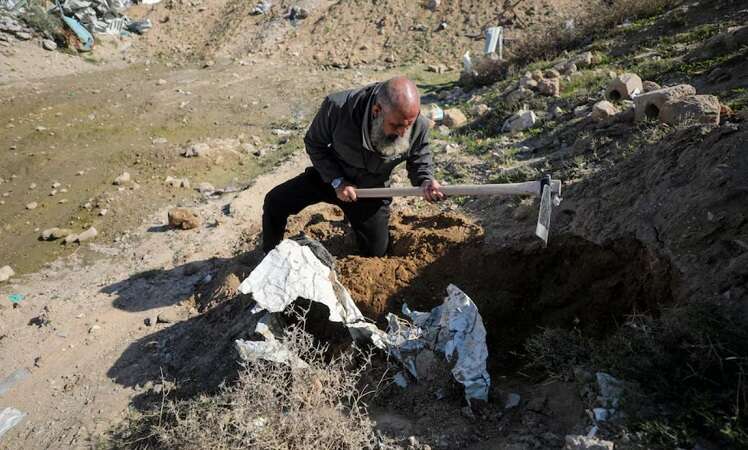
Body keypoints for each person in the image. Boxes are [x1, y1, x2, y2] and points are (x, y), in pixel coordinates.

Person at [262, 76, 445, 257]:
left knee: (376, 252)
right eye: (396, 125)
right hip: (331, 176)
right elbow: (314, 143)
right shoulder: (338, 108)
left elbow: (419, 156)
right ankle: (269, 255)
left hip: (371, 190)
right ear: (376, 110)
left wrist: (426, 180)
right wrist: (337, 181)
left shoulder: (416, 124)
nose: (403, 132)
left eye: (408, 125)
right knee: (275, 201)